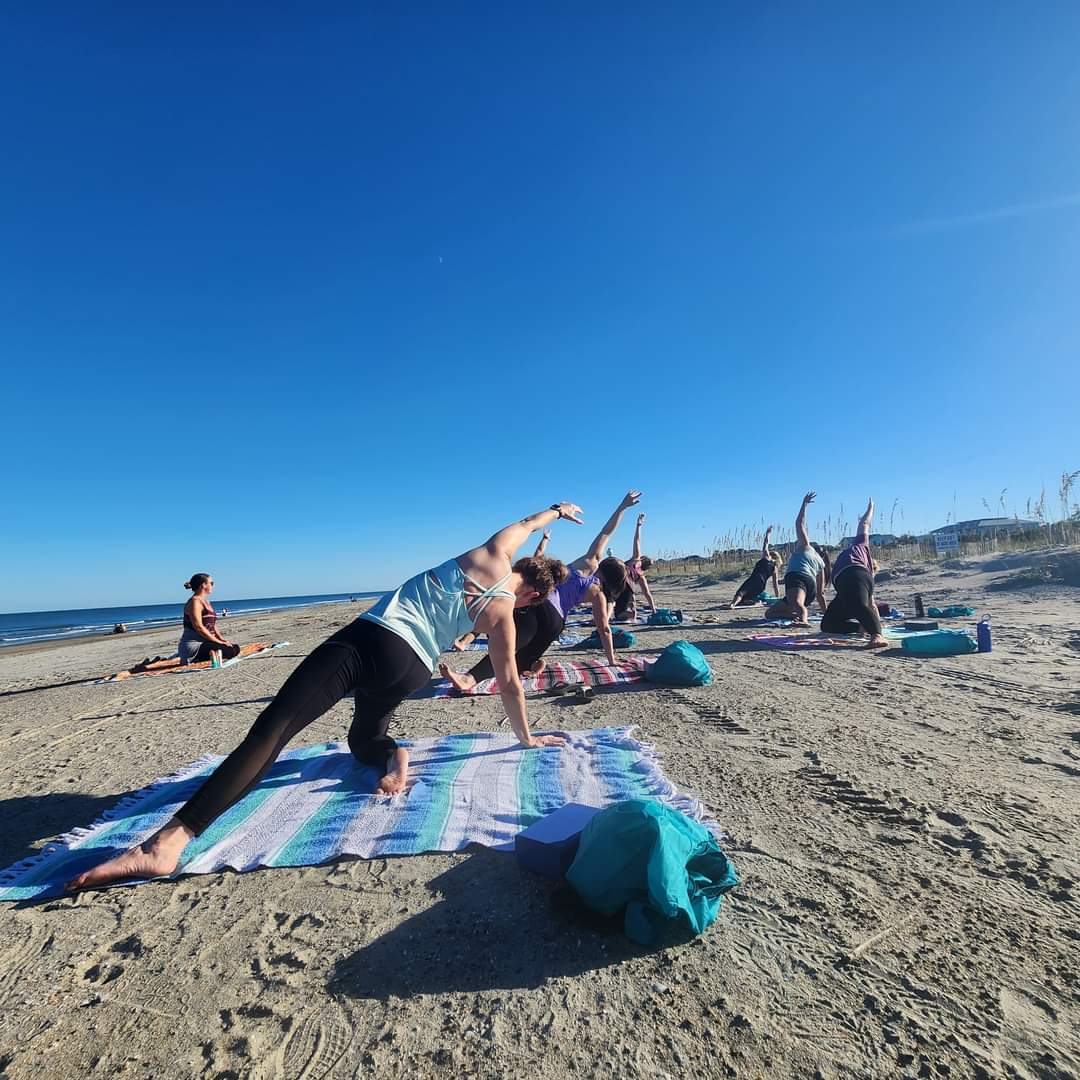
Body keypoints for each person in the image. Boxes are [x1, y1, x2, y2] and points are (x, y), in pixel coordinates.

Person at [65, 502, 582, 893]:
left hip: (372, 640)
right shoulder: (502, 615)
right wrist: (528, 735)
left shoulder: (491, 554)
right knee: (364, 736)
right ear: (536, 592)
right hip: (409, 669)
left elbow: (526, 522)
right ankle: (393, 755)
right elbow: (510, 681)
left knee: (276, 727)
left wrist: (557, 510)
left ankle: (166, 845)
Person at [439, 491, 640, 693]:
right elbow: (604, 629)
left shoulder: (589, 562)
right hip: (554, 623)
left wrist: (622, 506)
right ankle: (487, 674)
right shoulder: (599, 595)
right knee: (522, 655)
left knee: (507, 638)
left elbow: (606, 532)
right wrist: (612, 660)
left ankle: (475, 665)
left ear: (605, 563)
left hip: (538, 602)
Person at [821, 498, 888, 648]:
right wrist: (871, 508)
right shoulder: (861, 545)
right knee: (828, 624)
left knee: (859, 604)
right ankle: (861, 627)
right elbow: (864, 524)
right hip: (845, 586)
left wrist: (878, 629)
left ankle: (877, 636)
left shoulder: (861, 560)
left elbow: (870, 605)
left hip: (854, 574)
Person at [765, 492, 830, 626]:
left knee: (797, 603)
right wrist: (827, 614)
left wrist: (804, 504)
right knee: (770, 613)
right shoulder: (821, 563)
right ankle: (795, 615)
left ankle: (803, 619)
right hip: (809, 592)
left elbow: (799, 524)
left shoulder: (807, 547)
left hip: (797, 578)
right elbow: (820, 594)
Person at [178, 574, 240, 664]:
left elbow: (213, 625)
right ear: (203, 585)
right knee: (228, 651)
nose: (212, 586)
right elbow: (199, 627)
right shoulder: (195, 602)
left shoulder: (206, 602)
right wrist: (218, 642)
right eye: (211, 583)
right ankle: (192, 659)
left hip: (207, 642)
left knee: (234, 648)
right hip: (194, 646)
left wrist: (222, 640)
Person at [612, 513, 657, 622]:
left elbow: (647, 593)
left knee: (627, 610)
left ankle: (620, 613)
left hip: (618, 585)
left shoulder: (640, 572)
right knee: (629, 605)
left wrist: (639, 525)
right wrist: (653, 610)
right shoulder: (637, 563)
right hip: (619, 584)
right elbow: (637, 540)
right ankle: (621, 613)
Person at [727, 525, 782, 608]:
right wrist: (777, 598)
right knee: (749, 597)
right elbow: (775, 584)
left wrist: (768, 534)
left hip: (754, 579)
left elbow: (766, 544)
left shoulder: (766, 558)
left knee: (741, 592)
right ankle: (756, 602)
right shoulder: (775, 568)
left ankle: (733, 604)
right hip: (761, 585)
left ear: (770, 555)